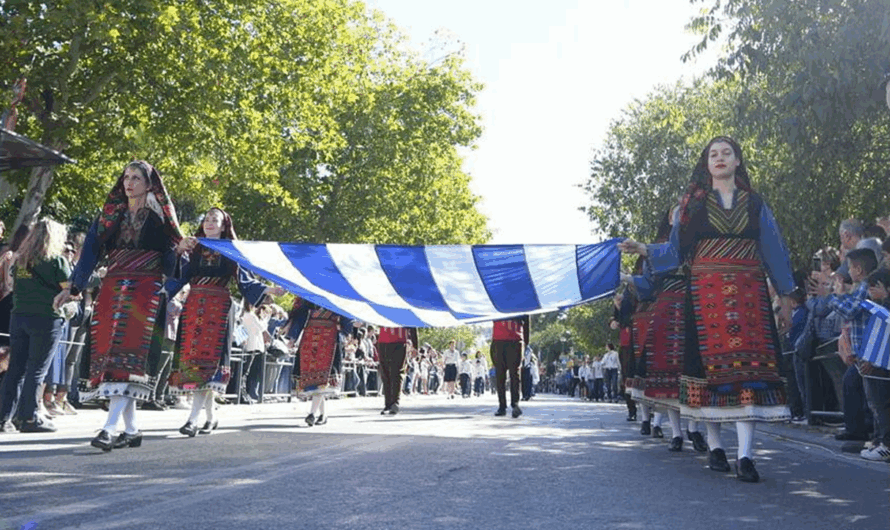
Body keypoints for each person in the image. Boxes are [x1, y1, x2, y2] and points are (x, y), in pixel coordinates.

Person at [620, 136, 795, 483]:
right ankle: (715, 448)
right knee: (706, 374)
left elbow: (773, 248)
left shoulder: (755, 204)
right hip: (703, 297)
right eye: (713, 154)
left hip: (749, 296)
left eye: (726, 153)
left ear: (738, 161)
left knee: (750, 375)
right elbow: (674, 251)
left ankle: (745, 456)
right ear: (706, 163)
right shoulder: (693, 207)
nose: (720, 158)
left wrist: (787, 297)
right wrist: (643, 249)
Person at [61, 160, 183, 451]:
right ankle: (131, 428)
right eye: (126, 177)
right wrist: (72, 287)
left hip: (145, 292)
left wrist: (178, 251)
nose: (129, 182)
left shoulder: (159, 220)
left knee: (128, 359)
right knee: (112, 357)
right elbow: (90, 250)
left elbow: (171, 264)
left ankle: (108, 428)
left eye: (137, 178)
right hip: (112, 289)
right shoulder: (109, 216)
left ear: (149, 183)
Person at [168, 208, 280, 436]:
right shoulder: (194, 248)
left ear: (223, 226)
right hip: (194, 308)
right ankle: (210, 416)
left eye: (214, 220)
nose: (209, 223)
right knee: (194, 363)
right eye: (206, 219)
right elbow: (178, 276)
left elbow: (245, 281)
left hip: (218, 309)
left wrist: (268, 289)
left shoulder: (231, 252)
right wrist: (161, 291)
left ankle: (193, 419)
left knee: (208, 364)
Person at [0, 219, 70, 433]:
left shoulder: (20, 261)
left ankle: (3, 418)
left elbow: (13, 285)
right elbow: (69, 289)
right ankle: (29, 417)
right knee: (36, 370)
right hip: (46, 318)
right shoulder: (57, 261)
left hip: (19, 316)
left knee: (16, 369)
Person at [294, 304, 347, 426]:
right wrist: (292, 335)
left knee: (321, 383)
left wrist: (351, 325)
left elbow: (347, 314)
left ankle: (312, 414)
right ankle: (323, 415)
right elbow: (299, 314)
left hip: (329, 340)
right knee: (318, 385)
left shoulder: (336, 298)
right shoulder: (309, 299)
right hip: (311, 339)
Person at [490, 316, 529, 418]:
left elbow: (526, 322)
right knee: (500, 374)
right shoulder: (496, 300)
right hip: (498, 340)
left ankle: (515, 404)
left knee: (515, 374)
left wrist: (526, 343)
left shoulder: (524, 302)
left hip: (515, 340)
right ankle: (502, 406)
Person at [375, 325, 417, 415]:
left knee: (396, 373)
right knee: (385, 373)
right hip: (383, 341)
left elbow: (412, 325)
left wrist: (415, 345)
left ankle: (395, 402)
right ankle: (388, 404)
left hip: (399, 341)